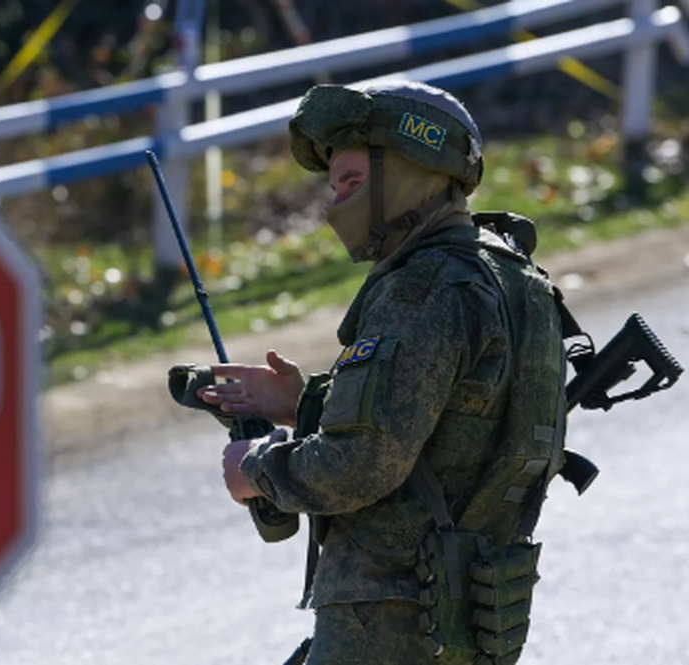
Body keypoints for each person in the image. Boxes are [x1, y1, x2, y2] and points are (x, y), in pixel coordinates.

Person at [199, 81, 567, 664]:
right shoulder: (515, 279)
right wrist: (305, 404)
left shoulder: (421, 289)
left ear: (410, 172)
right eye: (334, 187)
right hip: (472, 620)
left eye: (352, 182)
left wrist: (256, 469)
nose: (336, 204)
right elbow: (461, 426)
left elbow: (362, 465)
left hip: (388, 618)